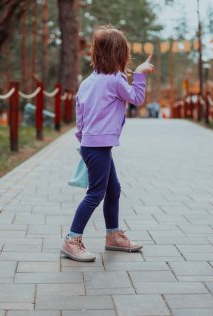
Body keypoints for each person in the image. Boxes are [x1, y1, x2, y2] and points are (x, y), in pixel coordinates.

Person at [61, 26, 155, 262]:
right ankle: (72, 239)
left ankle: (113, 236)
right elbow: (136, 99)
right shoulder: (115, 80)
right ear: (120, 55)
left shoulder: (88, 82)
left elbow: (79, 114)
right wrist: (141, 74)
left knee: (113, 190)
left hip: (91, 145)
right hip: (98, 147)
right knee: (95, 194)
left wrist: (83, 140)